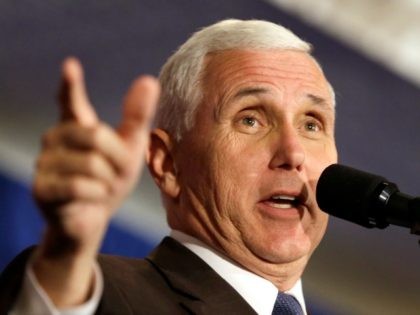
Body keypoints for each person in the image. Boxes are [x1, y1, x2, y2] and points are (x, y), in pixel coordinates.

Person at [0, 19, 337, 314]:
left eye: (311, 124)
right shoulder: (101, 295)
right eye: (250, 120)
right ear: (168, 164)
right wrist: (65, 260)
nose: (293, 153)